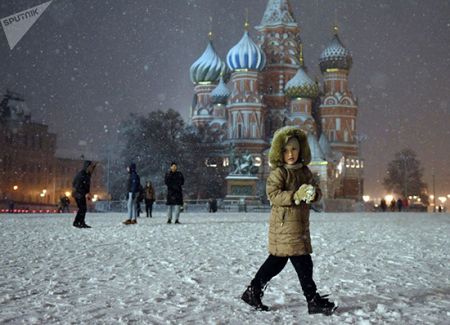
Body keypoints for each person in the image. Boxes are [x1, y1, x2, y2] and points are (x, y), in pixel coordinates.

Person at [241, 126, 336, 315]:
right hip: (284, 225)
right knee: (302, 262)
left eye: (294, 149)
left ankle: (253, 291)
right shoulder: (279, 173)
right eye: (285, 150)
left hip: (299, 224)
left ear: (301, 149)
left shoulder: (305, 171)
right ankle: (312, 299)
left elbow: (316, 190)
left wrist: (312, 194)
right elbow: (273, 195)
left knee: (278, 261)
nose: (290, 154)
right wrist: (295, 195)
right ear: (279, 152)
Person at [72, 160, 96, 228]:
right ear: (87, 166)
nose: (91, 168)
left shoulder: (87, 174)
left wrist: (87, 193)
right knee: (82, 208)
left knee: (82, 208)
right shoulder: (82, 174)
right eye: (90, 166)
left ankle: (79, 222)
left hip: (81, 193)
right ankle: (78, 222)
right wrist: (85, 193)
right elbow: (76, 185)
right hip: (78, 193)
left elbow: (86, 185)